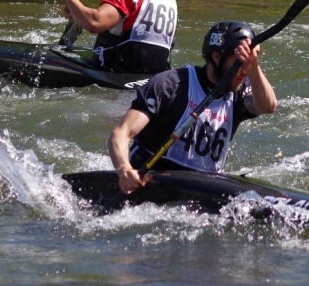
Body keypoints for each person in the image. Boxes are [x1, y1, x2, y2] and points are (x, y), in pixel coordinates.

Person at [108, 20, 278, 193]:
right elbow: (122, 133)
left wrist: (254, 69)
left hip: (202, 187)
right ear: (216, 58)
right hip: (149, 182)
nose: (245, 71)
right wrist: (124, 170)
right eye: (240, 62)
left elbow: (268, 106)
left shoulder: (240, 91)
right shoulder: (170, 85)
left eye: (249, 62)